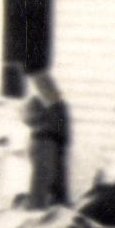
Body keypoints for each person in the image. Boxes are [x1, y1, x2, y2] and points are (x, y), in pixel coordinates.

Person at [22, 71, 72, 207]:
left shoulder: (59, 105)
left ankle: (56, 204)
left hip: (54, 143)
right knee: (41, 178)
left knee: (55, 177)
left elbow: (61, 126)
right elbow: (28, 119)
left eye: (44, 86)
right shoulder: (35, 102)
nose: (42, 89)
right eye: (39, 86)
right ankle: (38, 205)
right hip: (41, 143)